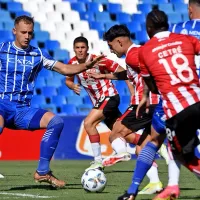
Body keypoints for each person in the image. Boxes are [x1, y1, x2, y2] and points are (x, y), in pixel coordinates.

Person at [0, 15, 103, 188]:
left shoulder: (37, 54)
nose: (27, 36)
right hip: (1, 104)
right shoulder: (2, 49)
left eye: (30, 33)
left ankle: (42, 171)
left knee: (56, 122)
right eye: (23, 32)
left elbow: (65, 69)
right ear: (14, 31)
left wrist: (86, 65)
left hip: (22, 110)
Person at [117, 9, 200, 200]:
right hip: (197, 97)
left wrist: (146, 95)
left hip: (175, 107)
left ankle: (138, 189)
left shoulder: (145, 50)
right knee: (166, 144)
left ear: (148, 29)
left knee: (173, 150)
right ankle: (165, 187)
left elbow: (151, 85)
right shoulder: (184, 39)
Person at [89, 25, 169, 195]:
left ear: (119, 41)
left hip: (145, 102)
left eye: (111, 46)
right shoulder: (134, 56)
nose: (111, 51)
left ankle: (122, 153)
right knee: (142, 149)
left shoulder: (135, 53)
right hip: (157, 104)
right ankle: (155, 183)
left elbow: (153, 68)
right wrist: (104, 76)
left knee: (116, 133)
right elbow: (128, 74)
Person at [65, 36, 134, 171]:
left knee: (88, 123)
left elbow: (123, 72)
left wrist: (132, 91)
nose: (80, 50)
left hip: (109, 97)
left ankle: (97, 161)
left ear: (87, 49)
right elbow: (68, 79)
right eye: (77, 48)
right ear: (73, 49)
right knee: (119, 131)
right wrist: (72, 86)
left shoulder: (98, 60)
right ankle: (152, 146)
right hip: (100, 101)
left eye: (83, 47)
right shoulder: (72, 63)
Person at [154, 1, 200, 198]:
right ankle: (172, 186)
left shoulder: (176, 30)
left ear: (190, 9)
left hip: (184, 91)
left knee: (176, 139)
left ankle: (173, 185)